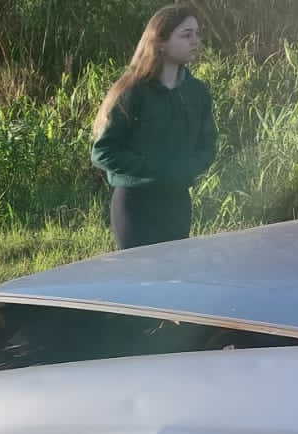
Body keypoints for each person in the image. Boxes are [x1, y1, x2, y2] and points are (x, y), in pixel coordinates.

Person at [90, 5, 216, 250]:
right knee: (138, 282)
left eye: (197, 34)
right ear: (160, 42)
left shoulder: (197, 93)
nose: (195, 41)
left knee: (174, 281)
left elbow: (208, 146)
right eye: (186, 34)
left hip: (177, 202)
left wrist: (186, 169)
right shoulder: (131, 92)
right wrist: (157, 170)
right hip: (135, 205)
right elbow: (103, 152)